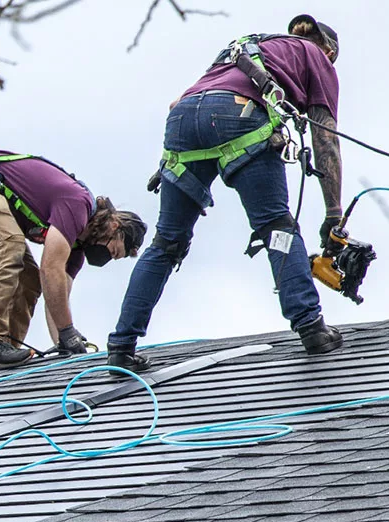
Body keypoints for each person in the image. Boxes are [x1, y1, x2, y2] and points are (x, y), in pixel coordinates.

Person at [107, 14, 344, 374]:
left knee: (167, 242)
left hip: (183, 120)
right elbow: (324, 138)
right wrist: (333, 213)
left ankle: (121, 348)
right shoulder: (316, 57)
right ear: (327, 51)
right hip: (239, 114)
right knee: (276, 226)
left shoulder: (245, 49)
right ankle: (311, 327)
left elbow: (179, 105)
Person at [0, 147, 147, 369]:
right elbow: (50, 269)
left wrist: (66, 344)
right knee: (9, 248)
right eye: (112, 251)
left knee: (29, 278)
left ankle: (6, 347)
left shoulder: (76, 247)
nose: (106, 257)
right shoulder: (78, 205)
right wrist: (68, 333)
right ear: (113, 226)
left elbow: (55, 293)